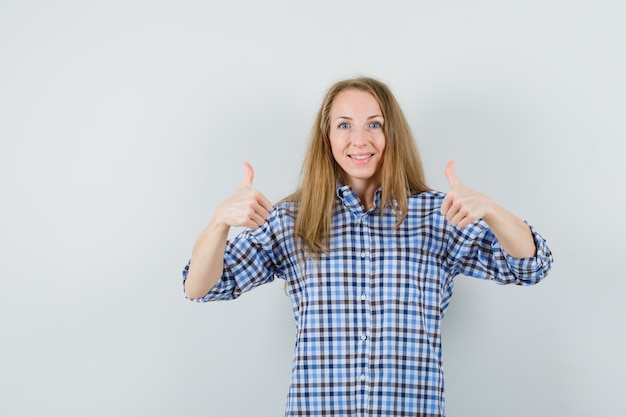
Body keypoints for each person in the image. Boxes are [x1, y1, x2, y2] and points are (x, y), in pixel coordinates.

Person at [182, 77, 553, 417]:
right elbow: (200, 286)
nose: (359, 140)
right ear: (327, 137)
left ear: (392, 134)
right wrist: (219, 222)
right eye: (344, 125)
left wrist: (490, 208)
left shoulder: (436, 216)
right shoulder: (292, 219)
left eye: (374, 124)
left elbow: (530, 266)